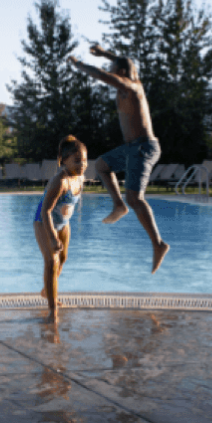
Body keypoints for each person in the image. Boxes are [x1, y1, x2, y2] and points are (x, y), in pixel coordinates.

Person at [69, 44, 171, 273]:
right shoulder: (130, 80)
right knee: (102, 165)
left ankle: (158, 244)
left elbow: (102, 75)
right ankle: (118, 205)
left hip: (143, 147)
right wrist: (106, 54)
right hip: (132, 148)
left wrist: (78, 65)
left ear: (122, 73)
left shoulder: (130, 86)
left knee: (135, 198)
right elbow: (124, 63)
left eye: (114, 69)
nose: (111, 72)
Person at [33, 135, 88, 324]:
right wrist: (52, 237)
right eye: (77, 160)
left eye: (85, 160)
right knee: (51, 261)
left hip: (63, 223)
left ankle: (46, 290)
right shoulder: (60, 181)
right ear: (64, 161)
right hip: (43, 222)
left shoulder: (80, 178)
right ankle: (52, 310)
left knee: (63, 258)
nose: (82, 164)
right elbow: (45, 210)